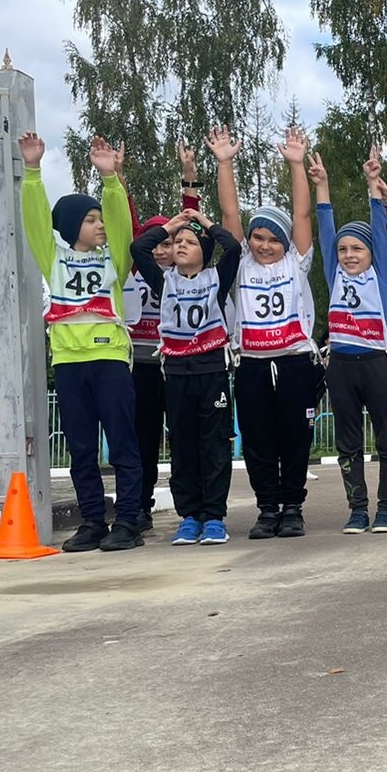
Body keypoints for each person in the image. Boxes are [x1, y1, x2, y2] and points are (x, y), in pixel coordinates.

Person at [17, 131, 143, 552]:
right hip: (69, 363)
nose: (100, 224)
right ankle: (92, 520)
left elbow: (122, 220)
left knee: (122, 444)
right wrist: (32, 172)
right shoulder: (52, 259)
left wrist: (110, 180)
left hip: (109, 358)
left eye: (100, 217)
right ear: (71, 227)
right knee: (81, 448)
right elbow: (37, 221)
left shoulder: (115, 258)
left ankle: (128, 520)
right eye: (90, 220)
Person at [207, 125, 324, 539]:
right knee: (257, 441)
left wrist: (295, 165)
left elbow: (303, 215)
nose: (264, 245)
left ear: (286, 242)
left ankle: (292, 506)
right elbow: (229, 218)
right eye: (258, 237)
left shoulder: (297, 263)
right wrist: (225, 163)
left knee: (294, 438)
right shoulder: (240, 265)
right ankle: (267, 508)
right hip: (253, 365)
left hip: (293, 362)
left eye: (274, 239)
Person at [131, 208, 240, 545]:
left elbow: (233, 248)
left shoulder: (216, 279)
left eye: (189, 242)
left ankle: (213, 517)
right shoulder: (164, 282)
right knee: (183, 446)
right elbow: (138, 250)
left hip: (211, 371)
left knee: (214, 445)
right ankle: (189, 516)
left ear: (204, 253)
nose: (180, 245)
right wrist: (172, 225)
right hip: (177, 373)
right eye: (177, 242)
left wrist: (205, 224)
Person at [311, 146, 387, 534]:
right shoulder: (335, 275)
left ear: (370, 254)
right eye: (344, 249)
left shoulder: (379, 277)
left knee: (386, 437)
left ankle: (385, 508)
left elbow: (379, 232)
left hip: (376, 363)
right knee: (348, 442)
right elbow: (325, 227)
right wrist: (323, 186)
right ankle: (357, 508)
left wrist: (372, 186)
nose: (348, 255)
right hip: (342, 366)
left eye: (357, 249)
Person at [121, 142, 204, 533]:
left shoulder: (182, 275)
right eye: (158, 242)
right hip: (138, 366)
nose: (164, 249)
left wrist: (189, 180)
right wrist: (118, 181)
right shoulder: (136, 267)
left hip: (175, 365)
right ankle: (140, 505)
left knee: (185, 438)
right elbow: (129, 224)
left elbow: (191, 221)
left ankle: (194, 506)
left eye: (170, 243)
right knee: (143, 439)